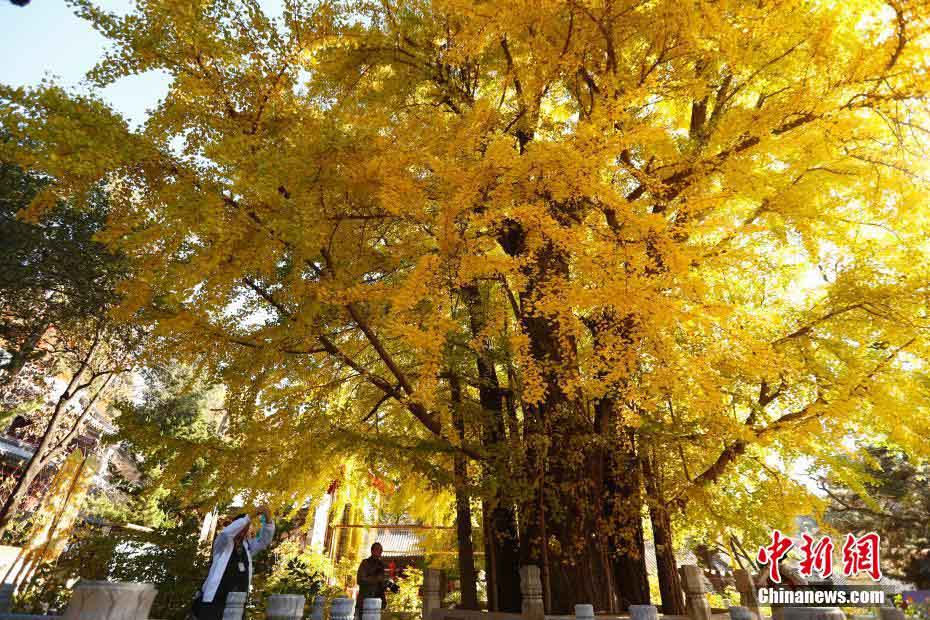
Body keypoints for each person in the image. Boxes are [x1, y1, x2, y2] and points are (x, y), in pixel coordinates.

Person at [192, 506, 275, 620]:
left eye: (246, 528)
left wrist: (268, 521)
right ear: (235, 526)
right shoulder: (223, 543)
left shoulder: (248, 547)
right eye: (241, 527)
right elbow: (227, 533)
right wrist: (250, 516)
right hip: (215, 601)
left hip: (236, 604)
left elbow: (263, 541)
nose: (243, 531)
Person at [356, 542, 391, 614]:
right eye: (377, 549)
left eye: (381, 550)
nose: (380, 551)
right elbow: (360, 580)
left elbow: (382, 582)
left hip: (377, 601)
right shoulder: (365, 563)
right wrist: (376, 579)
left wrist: (387, 584)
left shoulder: (381, 564)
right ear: (372, 551)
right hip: (366, 599)